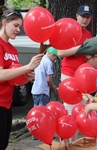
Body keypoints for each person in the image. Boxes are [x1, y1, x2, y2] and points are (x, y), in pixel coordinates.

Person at [0, 6, 43, 150]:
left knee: (4, 144)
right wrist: (26, 67)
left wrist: (27, 77)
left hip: (7, 103)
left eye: (20, 26)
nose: (18, 30)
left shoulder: (13, 49)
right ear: (4, 23)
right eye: (16, 25)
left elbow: (14, 78)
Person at [58, 5, 93, 143]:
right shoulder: (68, 30)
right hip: (69, 76)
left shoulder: (89, 35)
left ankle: (74, 143)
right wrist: (81, 48)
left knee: (82, 112)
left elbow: (88, 56)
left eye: (88, 17)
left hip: (84, 78)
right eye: (83, 16)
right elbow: (60, 53)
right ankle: (65, 144)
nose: (85, 20)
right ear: (76, 16)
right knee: (70, 112)